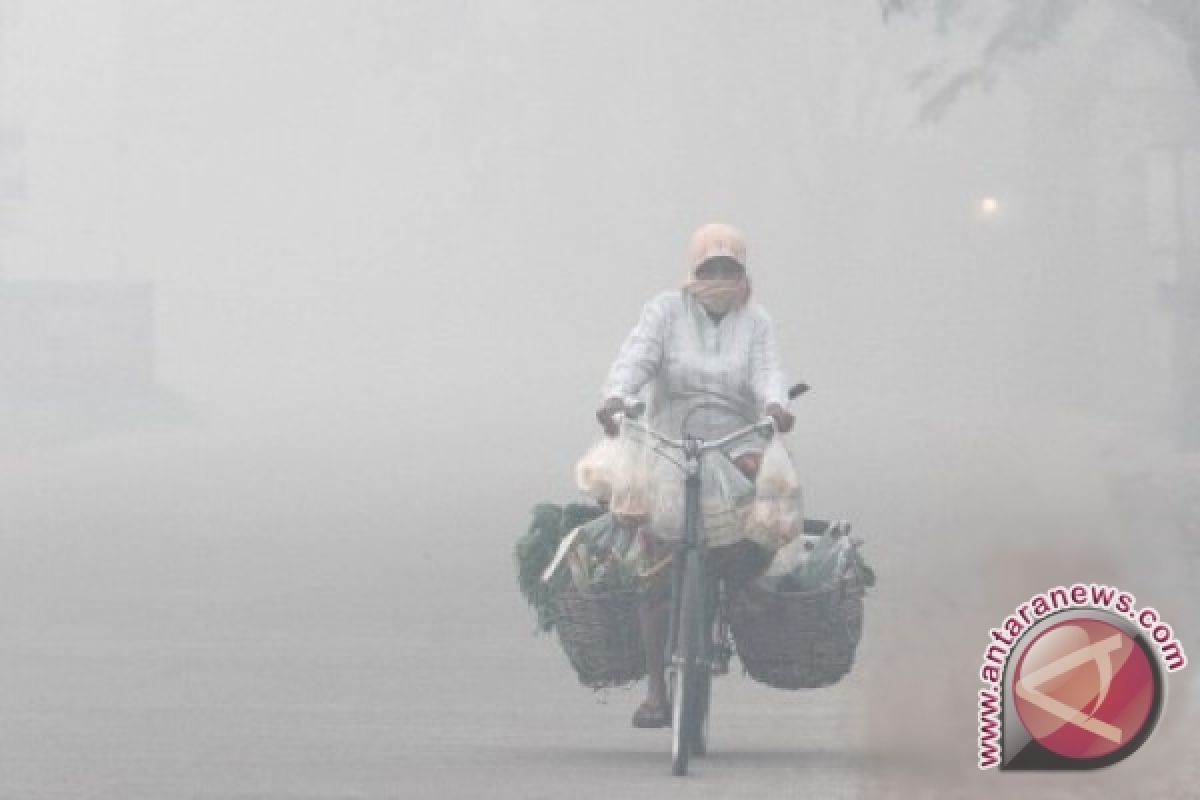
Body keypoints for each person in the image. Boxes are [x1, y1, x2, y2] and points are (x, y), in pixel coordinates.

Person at [595, 222, 797, 728]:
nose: (721, 278)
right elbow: (635, 360)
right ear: (693, 270)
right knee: (657, 562)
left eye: (731, 269)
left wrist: (776, 404)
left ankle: (733, 603)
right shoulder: (665, 311)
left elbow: (769, 372)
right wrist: (617, 398)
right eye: (712, 269)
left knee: (761, 531)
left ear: (744, 273)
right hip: (669, 443)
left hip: (735, 445)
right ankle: (657, 691)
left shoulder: (756, 322)